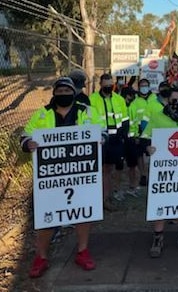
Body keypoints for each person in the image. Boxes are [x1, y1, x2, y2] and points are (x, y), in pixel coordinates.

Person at [20, 77, 105, 278]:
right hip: (50, 179)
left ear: (74, 93)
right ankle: (41, 257)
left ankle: (82, 252)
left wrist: (102, 139)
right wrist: (28, 143)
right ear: (54, 93)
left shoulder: (87, 111)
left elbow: (100, 131)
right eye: (60, 91)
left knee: (83, 214)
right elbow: (25, 136)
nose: (64, 94)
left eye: (68, 91)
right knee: (46, 219)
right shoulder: (42, 114)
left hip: (80, 175)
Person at [141, 88, 178, 258]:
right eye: (173, 100)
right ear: (167, 101)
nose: (177, 104)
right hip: (163, 170)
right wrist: (147, 147)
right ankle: (158, 237)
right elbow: (145, 137)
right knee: (161, 201)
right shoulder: (157, 116)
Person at [89, 73, 129, 211]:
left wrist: (123, 136)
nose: (108, 87)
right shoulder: (92, 100)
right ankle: (100, 199)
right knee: (100, 170)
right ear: (100, 84)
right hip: (100, 140)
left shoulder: (119, 99)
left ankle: (107, 197)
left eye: (110, 84)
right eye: (105, 85)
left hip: (116, 140)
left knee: (110, 169)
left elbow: (124, 120)